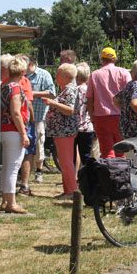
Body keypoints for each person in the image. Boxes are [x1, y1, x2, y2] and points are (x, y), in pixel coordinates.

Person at [0, 54, 30, 214]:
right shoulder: (16, 88)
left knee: (6, 167)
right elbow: (16, 113)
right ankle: (11, 203)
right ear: (22, 72)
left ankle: (5, 200)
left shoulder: (4, 87)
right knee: (13, 167)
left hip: (4, 129)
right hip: (13, 129)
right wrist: (23, 133)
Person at [87, 47, 132, 158]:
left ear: (102, 60)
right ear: (115, 59)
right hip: (121, 116)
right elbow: (130, 95)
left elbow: (89, 98)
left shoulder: (95, 75)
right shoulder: (124, 73)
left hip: (102, 117)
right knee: (121, 151)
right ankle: (121, 172)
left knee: (107, 152)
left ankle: (109, 173)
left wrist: (92, 117)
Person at [44, 63, 80, 199]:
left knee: (66, 162)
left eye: (58, 74)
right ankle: (67, 190)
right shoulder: (64, 89)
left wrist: (53, 103)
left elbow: (71, 110)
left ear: (66, 76)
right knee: (65, 161)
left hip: (65, 131)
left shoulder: (70, 90)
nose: (56, 76)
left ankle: (71, 191)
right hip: (60, 131)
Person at [22, 55, 55, 185]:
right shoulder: (22, 76)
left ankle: (39, 171)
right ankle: (24, 173)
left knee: (38, 144)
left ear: (30, 64)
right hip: (24, 117)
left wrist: (33, 94)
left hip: (38, 116)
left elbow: (52, 93)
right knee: (25, 144)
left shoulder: (43, 74)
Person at [75, 63, 95, 166]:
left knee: (74, 155)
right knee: (87, 156)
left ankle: (76, 177)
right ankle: (89, 179)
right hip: (88, 127)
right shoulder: (91, 91)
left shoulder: (74, 91)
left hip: (75, 127)